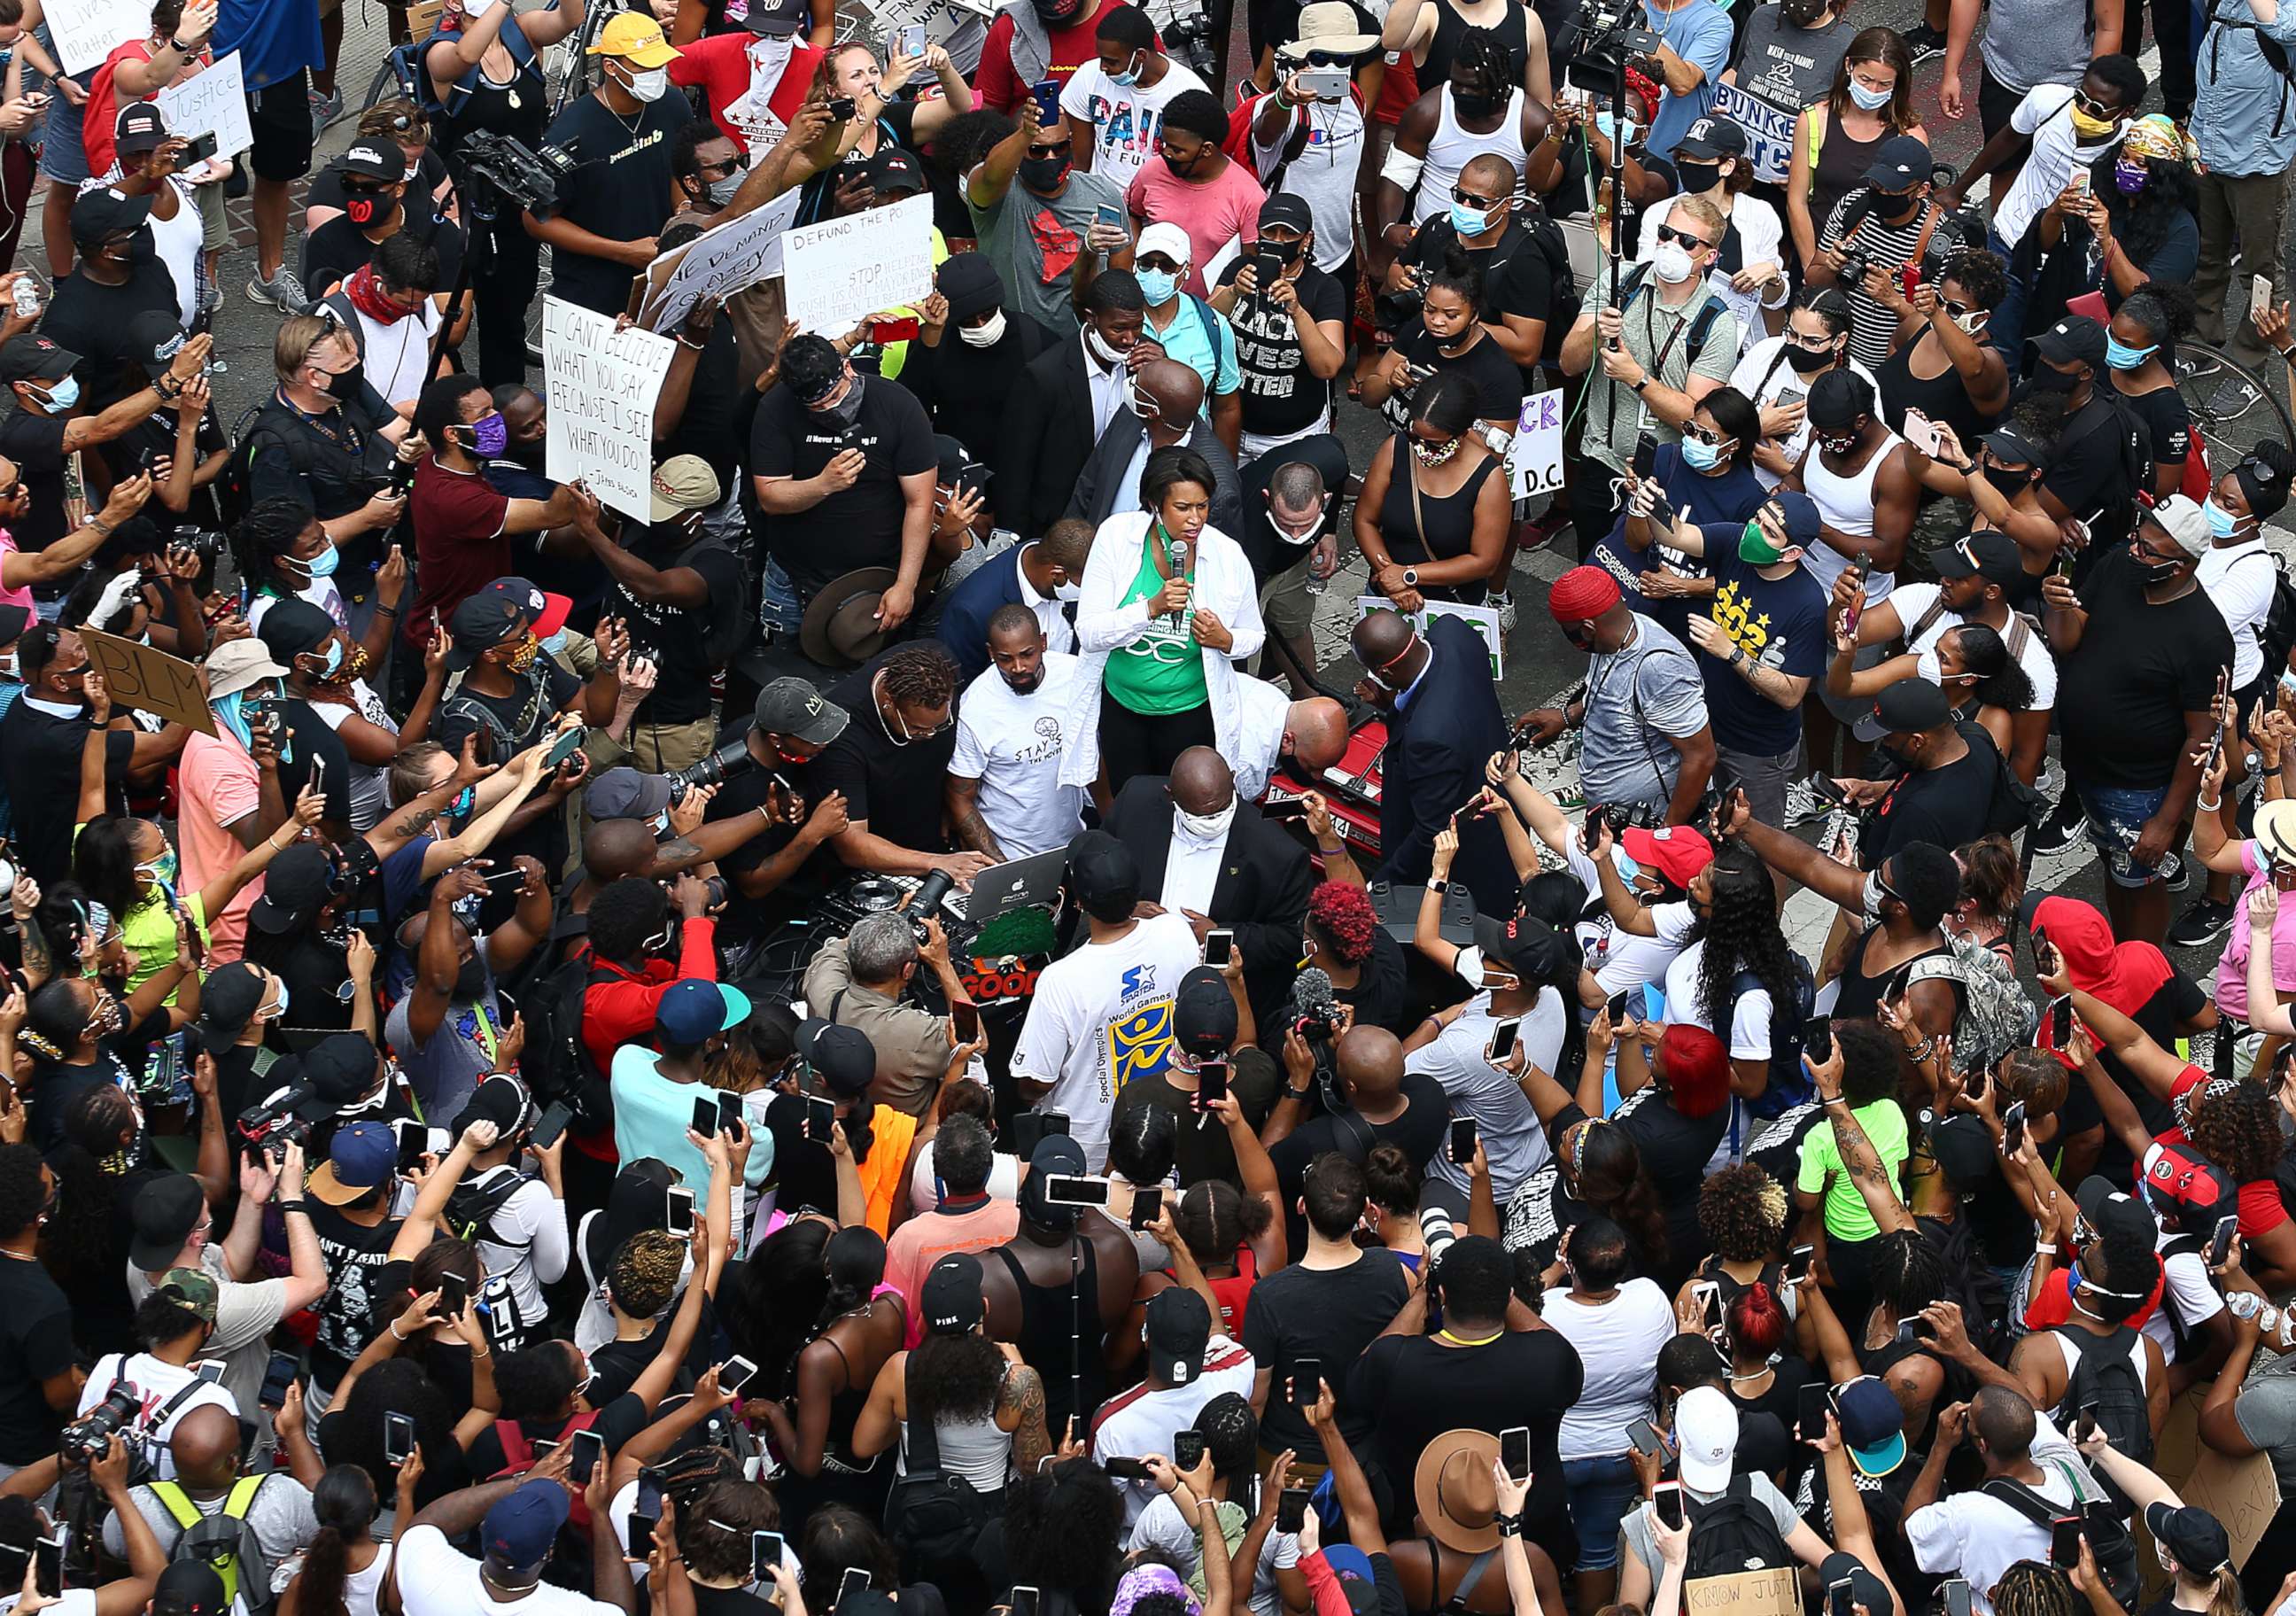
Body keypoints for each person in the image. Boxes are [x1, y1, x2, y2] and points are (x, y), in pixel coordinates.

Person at [2042, 493, 2230, 944]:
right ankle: (2120, 955)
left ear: (2181, 565)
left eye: (2148, 550)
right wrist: (2060, 606)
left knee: (2142, 887)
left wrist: (2166, 821)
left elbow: (2200, 739)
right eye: (2136, 539)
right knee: (2115, 866)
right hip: (2088, 771)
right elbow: (2069, 641)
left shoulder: (2205, 637)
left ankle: (2141, 977)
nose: (2134, 551)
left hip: (2140, 790)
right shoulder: (2117, 567)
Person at [1058, 447, 1262, 794]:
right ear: (1155, 505)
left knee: (1185, 801)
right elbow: (1089, 633)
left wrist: (1224, 639)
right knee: (1134, 800)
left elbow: (1254, 635)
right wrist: (1150, 609)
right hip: (1124, 711)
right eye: (1182, 508)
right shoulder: (1116, 538)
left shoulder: (1228, 555)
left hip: (1190, 714)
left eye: (1202, 506)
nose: (1196, 520)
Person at [1559, 195, 1742, 556]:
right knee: (1590, 572)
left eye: (1687, 241)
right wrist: (1596, 330)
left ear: (1710, 256)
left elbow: (1696, 416)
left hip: (1666, 479)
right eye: (1666, 233)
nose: (1672, 245)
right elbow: (1568, 363)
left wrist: (1637, 378)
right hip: (1601, 460)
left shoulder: (1717, 323)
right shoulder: (1618, 281)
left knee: (1647, 579)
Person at [1011, 834, 1202, 1166]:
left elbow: (1035, 1082)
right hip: (1161, 1133)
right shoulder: (1176, 931)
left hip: (1085, 1152)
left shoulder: (1062, 979)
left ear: (1079, 903)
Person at [1942, 55, 2148, 360]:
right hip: (2009, 241)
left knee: (2047, 346)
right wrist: (1959, 189)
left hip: (2059, 264)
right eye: (2081, 97)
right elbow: (2008, 139)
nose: (2083, 110)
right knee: (1999, 342)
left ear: (2127, 111)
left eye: (2097, 108)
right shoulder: (2047, 101)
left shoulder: (2128, 150)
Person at [1649, 490, 1832, 830]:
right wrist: (1651, 506)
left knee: (1763, 841)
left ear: (1792, 553)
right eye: (1757, 518)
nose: (1754, 530)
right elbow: (1674, 533)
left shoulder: (1807, 604)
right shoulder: (1736, 541)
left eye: (1769, 532)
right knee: (1718, 823)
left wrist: (1731, 651)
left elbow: (1792, 694)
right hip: (1708, 723)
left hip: (1758, 749)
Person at [751, 333, 936, 633]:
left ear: (847, 368)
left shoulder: (897, 405)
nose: (829, 409)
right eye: (816, 406)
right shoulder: (776, 408)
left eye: (833, 397)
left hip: (875, 575)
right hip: (794, 576)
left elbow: (920, 502)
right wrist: (824, 484)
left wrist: (905, 584)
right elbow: (770, 497)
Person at [1240, 1150, 1411, 1468]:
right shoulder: (1392, 1270)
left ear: (1301, 1207)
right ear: (1365, 1210)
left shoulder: (1269, 1296)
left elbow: (1257, 1398)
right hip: (1367, 1455)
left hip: (1290, 1460)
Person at [1519, 565, 1716, 827]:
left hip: (1646, 819)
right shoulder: (1613, 637)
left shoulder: (1659, 669)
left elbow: (1701, 757)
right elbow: (1610, 695)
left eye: (1568, 629)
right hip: (1610, 807)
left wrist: (1666, 836)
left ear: (1588, 628)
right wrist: (1567, 717)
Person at [527, 13, 692, 318]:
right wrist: (623, 251)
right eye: (645, 66)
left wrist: (683, 209)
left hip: (661, 281)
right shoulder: (569, 135)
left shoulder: (672, 105)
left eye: (659, 63)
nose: (656, 73)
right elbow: (537, 220)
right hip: (591, 291)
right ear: (610, 67)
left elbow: (675, 166)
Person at [1347, 609, 1512, 912]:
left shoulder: (1429, 737)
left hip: (1474, 845)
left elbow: (1430, 829)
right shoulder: (1453, 631)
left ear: (1384, 674)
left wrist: (1381, 884)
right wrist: (1391, 701)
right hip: (1497, 777)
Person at [2188, 0, 2296, 382]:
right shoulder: (2222, 6)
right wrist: (2194, 142)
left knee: (2261, 269)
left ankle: (2251, 366)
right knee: (2206, 255)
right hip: (2210, 156)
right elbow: (2208, 84)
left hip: (2259, 165)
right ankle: (2202, 342)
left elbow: (2285, 30)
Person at [967, 91, 1127, 339]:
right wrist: (1025, 133)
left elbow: (1121, 267)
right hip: (1019, 342)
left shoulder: (1102, 193)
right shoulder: (1002, 194)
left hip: (1081, 339)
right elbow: (989, 175)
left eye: (1060, 147)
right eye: (1038, 151)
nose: (1051, 157)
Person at [1354, 375, 1510, 617]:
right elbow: (1365, 520)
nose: (1421, 448)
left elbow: (1484, 562)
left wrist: (1408, 575)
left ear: (1463, 433)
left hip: (1453, 610)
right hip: (1388, 597)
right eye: (1416, 437)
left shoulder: (1489, 479)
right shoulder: (1395, 449)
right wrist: (1389, 578)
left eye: (1435, 444)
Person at [800, 911, 976, 1121]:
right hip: (900, 1138)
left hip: (833, 1119)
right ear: (907, 971)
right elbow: (976, 1040)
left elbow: (835, 948)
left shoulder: (821, 989)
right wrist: (942, 964)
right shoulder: (918, 1032)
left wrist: (882, 925)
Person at [948, 604, 1088, 861]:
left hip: (1075, 842)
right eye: (1005, 658)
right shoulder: (976, 709)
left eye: (1027, 654)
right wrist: (1000, 866)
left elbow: (1093, 752)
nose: (1018, 667)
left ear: (1043, 642)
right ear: (991, 653)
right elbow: (959, 798)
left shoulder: (1075, 674)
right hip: (1012, 852)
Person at [903, 254, 1057, 483]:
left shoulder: (1034, 339)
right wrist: (931, 335)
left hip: (1018, 476)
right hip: (954, 475)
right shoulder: (935, 340)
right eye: (968, 321)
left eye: (987, 315)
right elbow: (910, 405)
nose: (980, 326)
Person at [1068, 356, 1244, 532]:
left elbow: (1215, 553)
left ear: (1152, 411)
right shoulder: (1131, 414)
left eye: (1136, 385)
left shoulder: (1218, 489)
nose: (1130, 383)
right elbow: (1087, 487)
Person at [1126, 90, 1264, 295]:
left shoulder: (1249, 196)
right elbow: (1132, 213)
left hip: (1210, 313)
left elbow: (1249, 265)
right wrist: (1136, 258)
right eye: (1165, 144)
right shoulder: (1152, 172)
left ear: (1207, 149)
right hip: (1148, 301)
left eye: (1177, 150)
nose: (1167, 153)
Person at [1059, 4, 1207, 189]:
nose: (1102, 68)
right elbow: (1080, 163)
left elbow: (1196, 172)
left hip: (1159, 205)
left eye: (1111, 61)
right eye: (1101, 58)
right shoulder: (1089, 76)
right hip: (1099, 201)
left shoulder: (1189, 92)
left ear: (1141, 56)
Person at [937, 520, 1090, 683]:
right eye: (1087, 582)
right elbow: (959, 684)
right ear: (1056, 574)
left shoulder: (1061, 560)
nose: (1095, 588)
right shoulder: (972, 612)